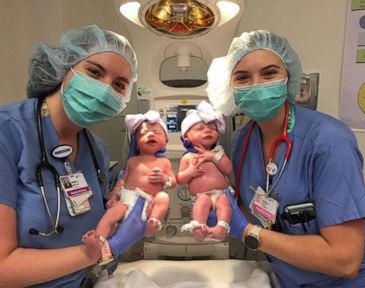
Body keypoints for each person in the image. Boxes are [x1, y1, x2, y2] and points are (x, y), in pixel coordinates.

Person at [206, 30, 365, 287]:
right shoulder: (242, 139)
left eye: (269, 74)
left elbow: (345, 260)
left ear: (289, 78)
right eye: (243, 77)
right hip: (292, 277)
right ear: (229, 87)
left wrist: (246, 231)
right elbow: (258, 207)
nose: (257, 85)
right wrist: (220, 207)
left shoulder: (329, 141)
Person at [0, 25, 148, 287]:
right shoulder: (8, 133)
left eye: (119, 84)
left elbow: (90, 222)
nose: (105, 89)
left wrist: (123, 217)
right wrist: (89, 254)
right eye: (94, 71)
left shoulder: (96, 150)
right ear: (63, 68)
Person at [84, 110, 175, 265]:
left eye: (156, 132)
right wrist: (114, 196)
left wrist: (165, 178)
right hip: (126, 199)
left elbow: (173, 182)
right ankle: (98, 241)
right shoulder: (133, 161)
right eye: (144, 133)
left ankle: (153, 222)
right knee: (109, 217)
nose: (150, 135)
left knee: (163, 197)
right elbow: (122, 180)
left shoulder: (164, 162)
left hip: (148, 203)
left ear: (165, 140)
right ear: (136, 142)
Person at [177, 101, 233, 241]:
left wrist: (213, 156)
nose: (207, 130)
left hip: (221, 193)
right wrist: (190, 172)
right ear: (186, 137)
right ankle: (199, 228)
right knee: (201, 204)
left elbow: (228, 169)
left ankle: (222, 227)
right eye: (200, 128)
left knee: (224, 203)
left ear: (218, 135)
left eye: (211, 128)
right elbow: (180, 179)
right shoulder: (188, 157)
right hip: (201, 195)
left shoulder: (218, 152)